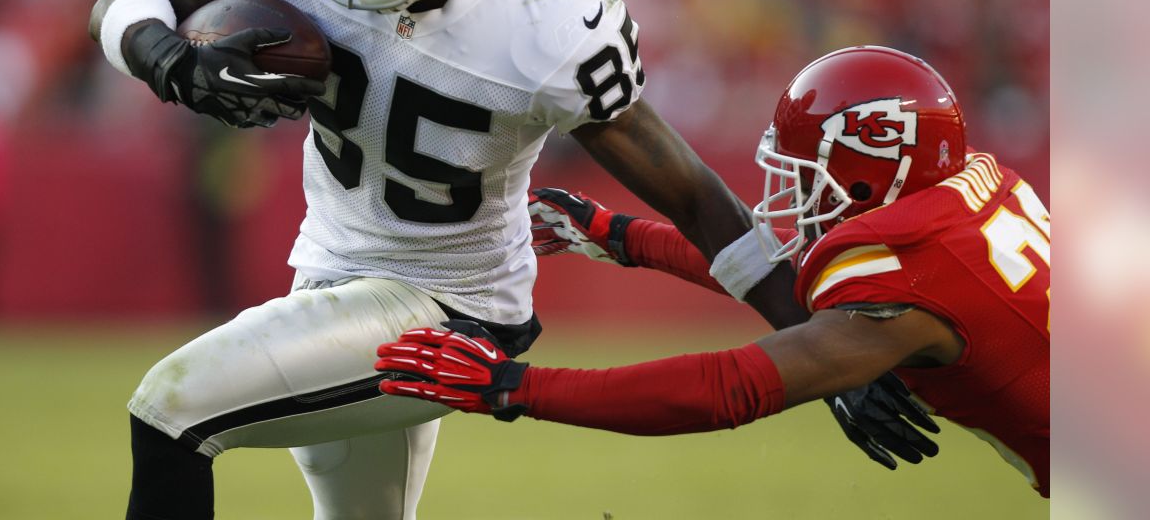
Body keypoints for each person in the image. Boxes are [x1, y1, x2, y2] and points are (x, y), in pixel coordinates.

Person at [88, 0, 935, 517]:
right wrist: (169, 58)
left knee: (172, 409)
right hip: (328, 276)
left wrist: (821, 351)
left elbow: (696, 200)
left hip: (447, 306)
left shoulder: (543, 27)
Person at [377, 46, 1051, 497]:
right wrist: (619, 235)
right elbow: (785, 276)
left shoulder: (909, 279)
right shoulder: (964, 196)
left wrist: (516, 386)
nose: (793, 197)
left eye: (808, 177)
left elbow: (731, 387)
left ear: (878, 177)